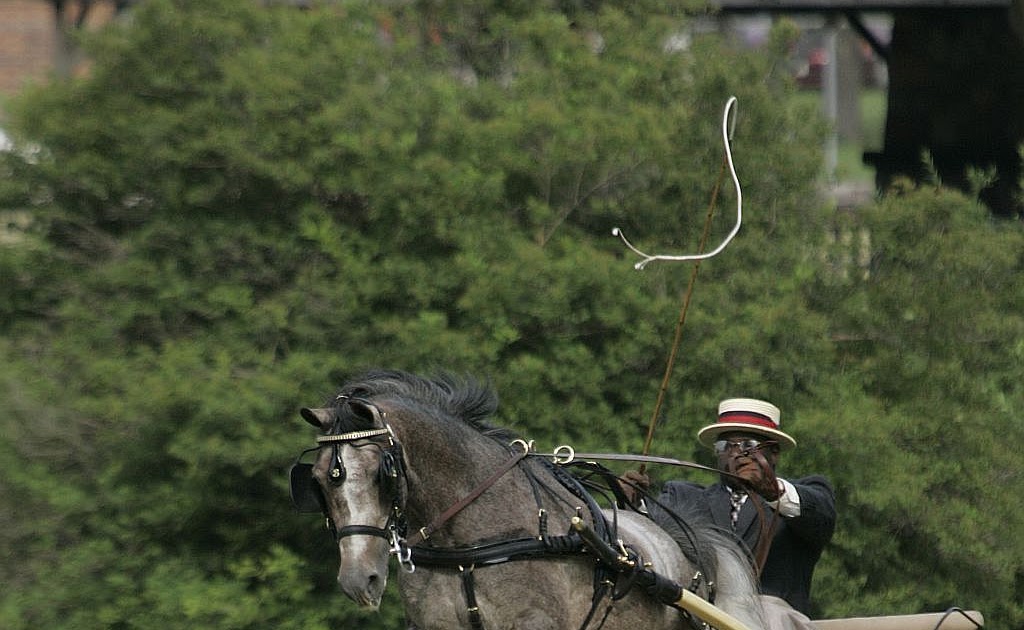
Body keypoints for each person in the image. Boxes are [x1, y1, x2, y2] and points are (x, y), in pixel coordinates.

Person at [622, 398, 835, 627]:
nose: (735, 453)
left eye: (747, 445)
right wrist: (632, 505)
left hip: (771, 621)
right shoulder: (683, 497)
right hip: (698, 618)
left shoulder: (803, 496)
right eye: (725, 446)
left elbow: (820, 519)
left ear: (774, 453)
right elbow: (657, 546)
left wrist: (773, 491)